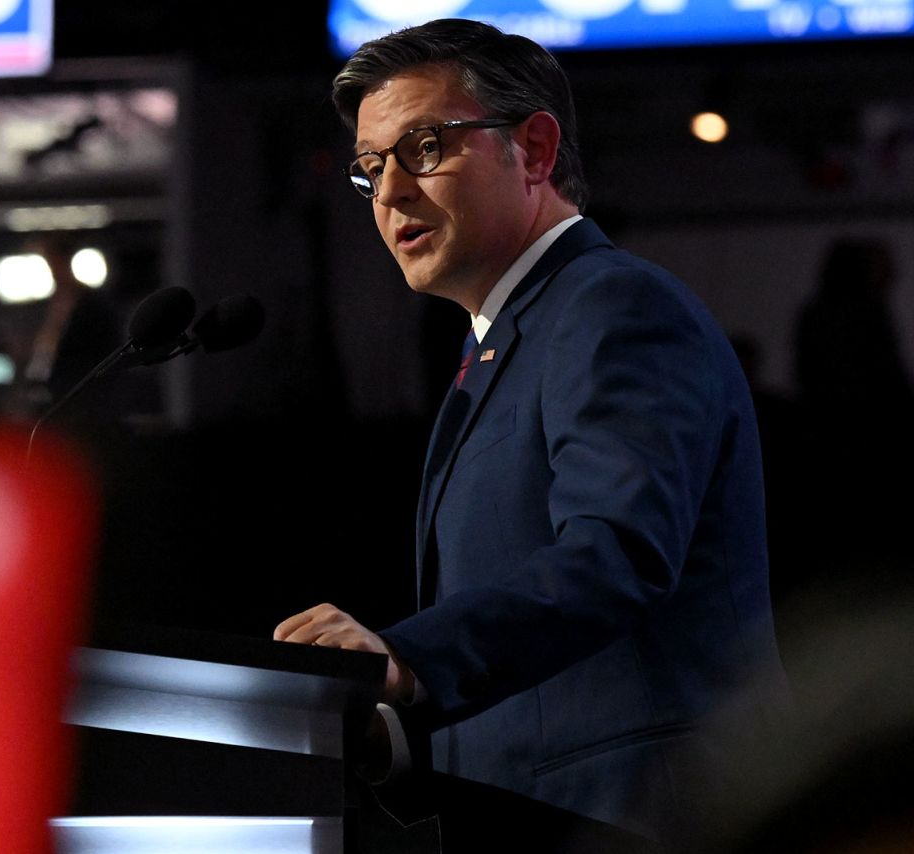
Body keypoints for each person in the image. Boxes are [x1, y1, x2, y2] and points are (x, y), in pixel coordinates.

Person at [274, 19, 784, 845]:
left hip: (648, 815)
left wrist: (409, 661)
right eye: (371, 169)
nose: (393, 192)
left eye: (425, 147)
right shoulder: (506, 340)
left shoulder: (610, 307)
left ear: (535, 151)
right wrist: (388, 729)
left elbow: (618, 555)